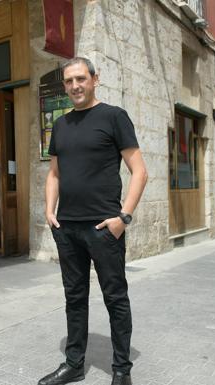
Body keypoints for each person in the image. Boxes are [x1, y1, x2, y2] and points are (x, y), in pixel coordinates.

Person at [39, 57, 148, 385]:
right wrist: (49, 210)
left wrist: (123, 217)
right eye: (69, 81)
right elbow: (54, 172)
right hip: (67, 228)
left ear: (94, 79)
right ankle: (73, 364)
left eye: (80, 79)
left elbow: (139, 171)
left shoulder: (114, 117)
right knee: (74, 296)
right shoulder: (60, 125)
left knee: (115, 297)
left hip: (104, 228)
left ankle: (121, 371)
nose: (74, 86)